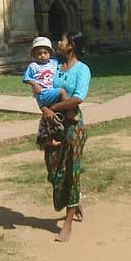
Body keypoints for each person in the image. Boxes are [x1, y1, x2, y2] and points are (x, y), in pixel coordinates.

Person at [39, 29, 90, 243]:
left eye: (61, 40)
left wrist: (55, 107)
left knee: (72, 171)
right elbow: (41, 92)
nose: (58, 43)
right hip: (53, 126)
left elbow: (78, 98)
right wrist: (45, 109)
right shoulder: (55, 68)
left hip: (73, 127)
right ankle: (75, 201)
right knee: (53, 170)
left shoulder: (82, 70)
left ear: (71, 45)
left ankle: (67, 224)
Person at [22, 36, 67, 146]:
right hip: (43, 93)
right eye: (39, 53)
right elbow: (26, 78)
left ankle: (49, 139)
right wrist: (35, 84)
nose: (42, 56)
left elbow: (63, 61)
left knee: (49, 116)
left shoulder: (53, 63)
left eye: (45, 53)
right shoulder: (33, 66)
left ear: (50, 53)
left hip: (49, 93)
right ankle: (69, 110)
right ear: (34, 55)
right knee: (61, 91)